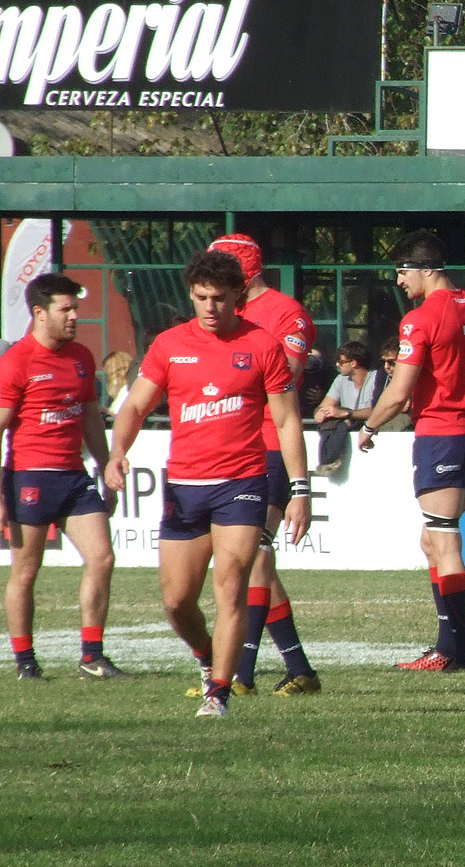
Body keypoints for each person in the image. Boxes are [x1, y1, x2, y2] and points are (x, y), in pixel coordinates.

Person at [107, 250, 312, 717]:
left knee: (231, 582)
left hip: (242, 483)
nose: (210, 307)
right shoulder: (169, 345)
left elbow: (287, 421)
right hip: (185, 486)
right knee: (177, 601)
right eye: (201, 297)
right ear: (191, 295)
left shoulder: (262, 345)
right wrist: (118, 453)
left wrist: (300, 489)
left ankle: (218, 693)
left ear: (238, 295)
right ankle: (206, 657)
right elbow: (135, 406)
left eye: (219, 298)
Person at [360, 231, 465, 673]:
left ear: (424, 269)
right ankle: (448, 645)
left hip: (441, 433)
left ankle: (463, 652)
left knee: (444, 539)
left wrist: (368, 426)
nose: (399, 281)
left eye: (402, 272)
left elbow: (399, 393)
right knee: (432, 540)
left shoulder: (420, 319)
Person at [0, 274, 125, 680]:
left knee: (102, 558)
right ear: (39, 313)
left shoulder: (82, 357)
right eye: (65, 309)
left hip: (74, 477)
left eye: (76, 308)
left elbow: (90, 418)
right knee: (26, 572)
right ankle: (25, 661)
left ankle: (92, 656)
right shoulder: (16, 361)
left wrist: (106, 465)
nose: (74, 316)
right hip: (29, 477)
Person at [215, 233, 322, 696]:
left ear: (243, 272)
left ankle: (240, 673)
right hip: (232, 443)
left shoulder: (285, 313)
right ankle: (298, 670)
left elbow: (288, 375)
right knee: (251, 559)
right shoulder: (227, 313)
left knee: (256, 554)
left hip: (271, 445)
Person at [313, 340, 380, 476]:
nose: (337, 364)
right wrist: (319, 413)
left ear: (354, 363)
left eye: (341, 361)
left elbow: (379, 411)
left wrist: (345, 413)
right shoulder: (340, 380)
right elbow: (322, 407)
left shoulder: (376, 378)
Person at [374, 338, 410, 431]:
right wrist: (397, 407)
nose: (386, 366)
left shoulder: (413, 377)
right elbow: (375, 406)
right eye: (383, 362)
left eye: (391, 362)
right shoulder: (382, 375)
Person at [101, 350, 133, 419]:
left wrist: (106, 411)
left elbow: (120, 415)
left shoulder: (127, 390)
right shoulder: (119, 392)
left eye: (110, 374)